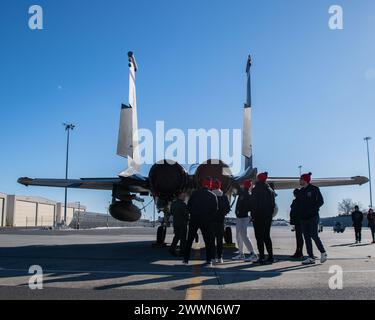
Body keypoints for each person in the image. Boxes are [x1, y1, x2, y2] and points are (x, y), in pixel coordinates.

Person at [183, 177, 218, 266]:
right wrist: (209, 217)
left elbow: (189, 206)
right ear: (209, 185)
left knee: (189, 240)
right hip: (206, 220)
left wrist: (193, 214)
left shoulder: (194, 194)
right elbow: (215, 210)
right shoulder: (212, 195)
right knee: (208, 241)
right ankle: (209, 260)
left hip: (194, 219)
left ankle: (185, 259)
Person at [298, 172, 327, 265]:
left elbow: (321, 201)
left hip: (313, 217)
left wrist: (313, 209)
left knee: (314, 235)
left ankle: (323, 252)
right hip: (303, 218)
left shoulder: (314, 189)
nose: (300, 181)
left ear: (305, 180)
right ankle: (310, 257)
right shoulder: (301, 191)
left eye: (301, 179)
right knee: (306, 237)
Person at [250, 172, 276, 264]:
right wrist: (269, 215)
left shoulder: (256, 189)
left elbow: (254, 204)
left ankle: (261, 257)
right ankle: (271, 257)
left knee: (259, 237)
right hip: (267, 217)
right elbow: (273, 205)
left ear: (259, 179)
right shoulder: (270, 190)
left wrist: (253, 216)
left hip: (258, 217)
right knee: (266, 236)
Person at [232, 179, 258, 262]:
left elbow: (235, 185)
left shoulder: (245, 194)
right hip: (240, 217)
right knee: (238, 235)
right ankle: (241, 254)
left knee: (243, 235)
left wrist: (230, 177)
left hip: (244, 218)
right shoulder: (244, 193)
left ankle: (253, 254)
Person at [211, 178, 231, 263]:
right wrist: (222, 213)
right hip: (220, 221)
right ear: (219, 186)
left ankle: (212, 257)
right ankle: (220, 257)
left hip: (211, 222)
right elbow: (227, 208)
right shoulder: (224, 196)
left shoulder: (210, 195)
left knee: (211, 241)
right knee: (219, 241)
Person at [169, 192, 189, 256]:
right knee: (183, 238)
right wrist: (189, 219)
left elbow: (171, 212)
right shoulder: (183, 204)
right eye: (184, 196)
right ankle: (182, 251)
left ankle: (172, 249)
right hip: (182, 223)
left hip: (175, 223)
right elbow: (186, 214)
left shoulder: (173, 204)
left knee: (176, 236)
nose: (185, 197)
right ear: (180, 196)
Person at [290, 188, 304, 258]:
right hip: (298, 221)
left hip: (298, 221)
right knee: (299, 237)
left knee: (299, 237)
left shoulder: (297, 201)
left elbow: (294, 211)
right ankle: (298, 251)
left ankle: (299, 252)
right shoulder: (299, 201)